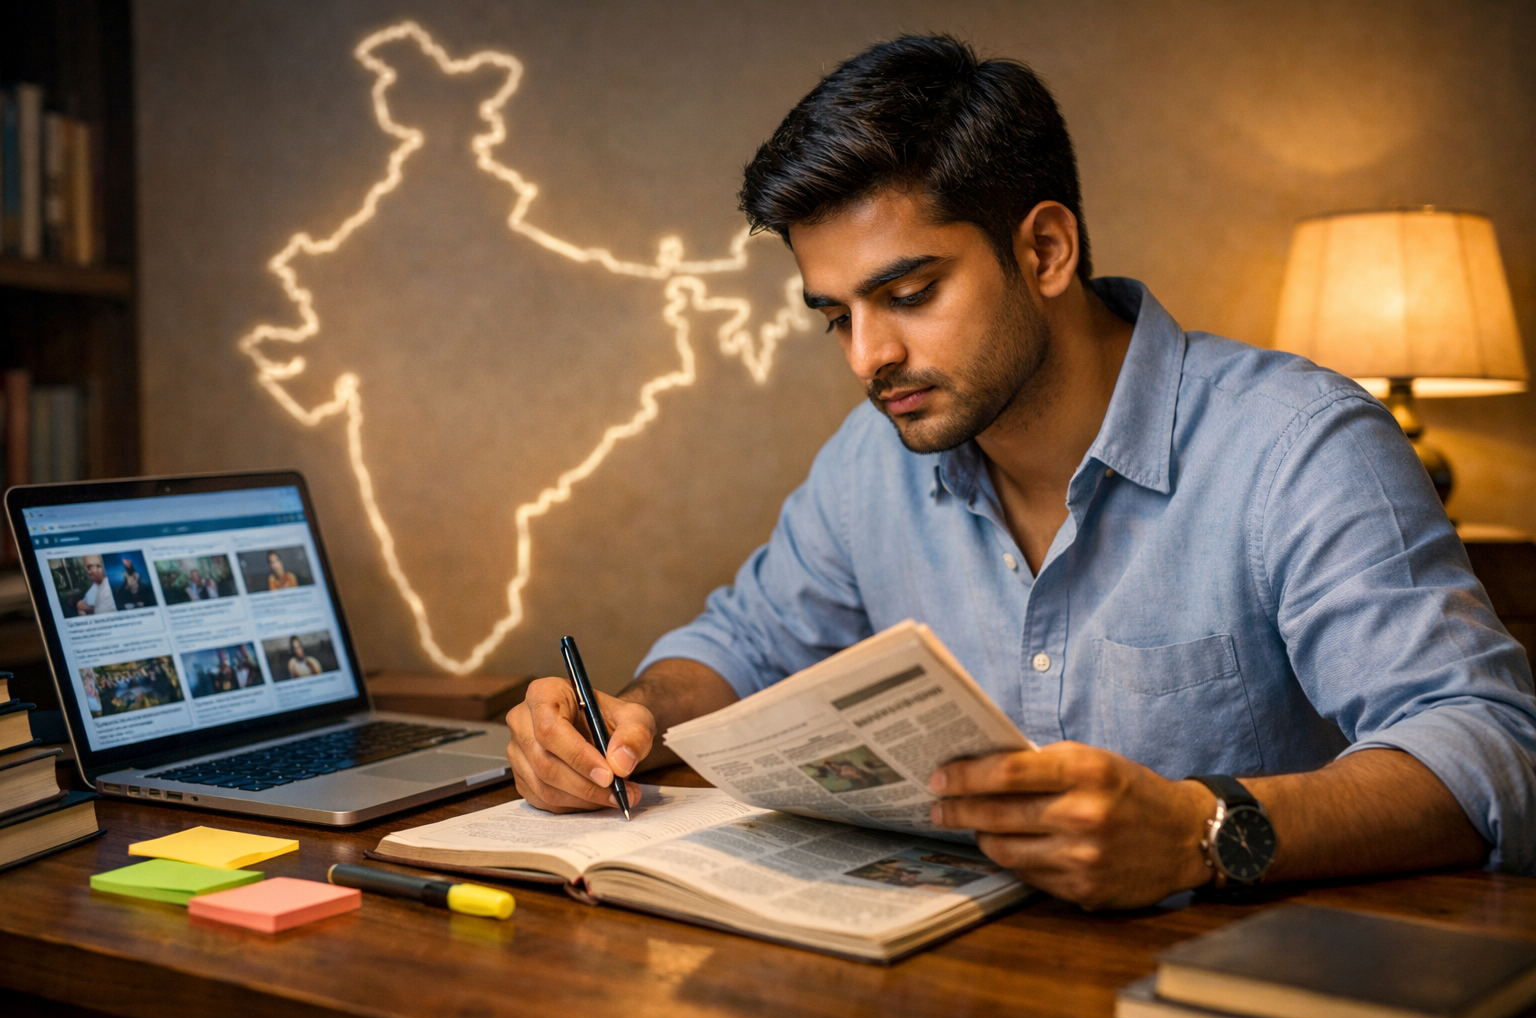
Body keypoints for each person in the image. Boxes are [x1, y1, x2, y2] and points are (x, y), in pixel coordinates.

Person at [504, 36, 1536, 908]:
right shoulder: (875, 459)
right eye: (836, 316)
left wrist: (1200, 829)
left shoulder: (1299, 444)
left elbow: (1491, 751)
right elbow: (741, 642)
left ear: (1044, 249)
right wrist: (633, 714)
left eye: (908, 292)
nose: (868, 358)